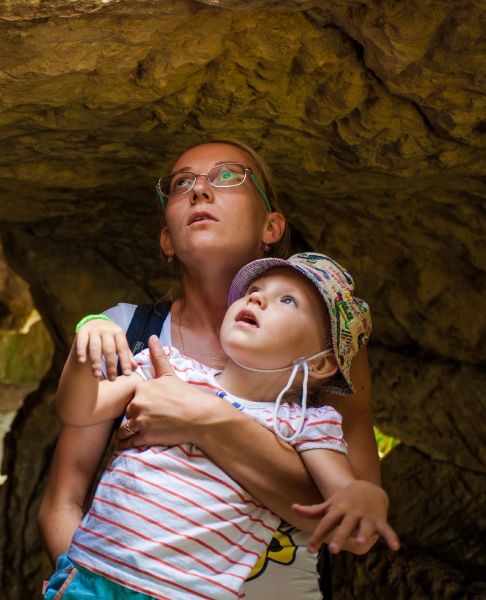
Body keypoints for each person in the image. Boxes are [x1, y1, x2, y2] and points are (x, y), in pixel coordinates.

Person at [37, 140, 394, 599]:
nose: (200, 190)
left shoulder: (323, 348)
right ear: (167, 239)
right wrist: (91, 584)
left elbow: (354, 524)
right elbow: (61, 503)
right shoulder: (129, 333)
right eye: (182, 183)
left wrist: (203, 418)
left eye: (228, 176)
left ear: (272, 226)